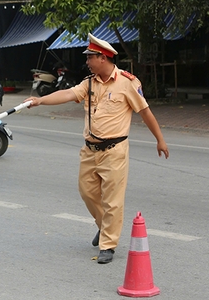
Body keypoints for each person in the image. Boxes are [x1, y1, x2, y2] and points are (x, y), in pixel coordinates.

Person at [24, 33, 169, 264]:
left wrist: (159, 140)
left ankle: (108, 245)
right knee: (87, 192)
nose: (87, 61)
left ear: (103, 58)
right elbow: (68, 94)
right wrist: (41, 100)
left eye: (90, 57)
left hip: (115, 150)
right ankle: (104, 227)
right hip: (90, 150)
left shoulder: (128, 82)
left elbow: (145, 112)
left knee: (112, 200)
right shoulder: (89, 83)